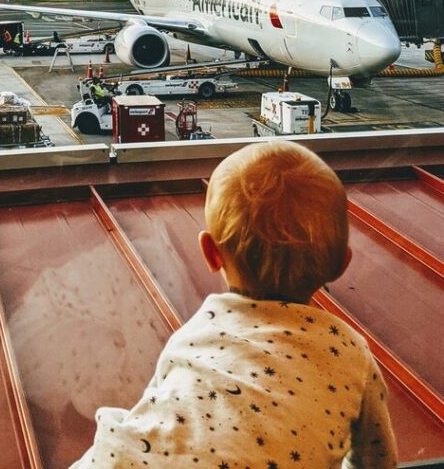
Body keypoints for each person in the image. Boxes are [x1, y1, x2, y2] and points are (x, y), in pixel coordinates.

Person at [69, 141, 397, 469]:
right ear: (342, 264)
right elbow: (378, 460)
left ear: (210, 252)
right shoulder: (351, 353)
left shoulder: (197, 332)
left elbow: (156, 409)